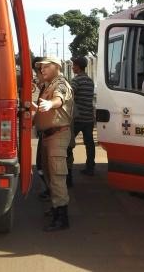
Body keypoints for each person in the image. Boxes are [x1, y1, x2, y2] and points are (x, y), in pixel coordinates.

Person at [33, 56, 74, 231]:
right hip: (48, 136)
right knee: (49, 174)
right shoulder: (47, 85)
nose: (42, 69)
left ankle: (62, 218)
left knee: (57, 176)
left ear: (57, 66)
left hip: (57, 135)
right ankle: (56, 208)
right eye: (40, 67)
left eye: (46, 66)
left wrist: (50, 104)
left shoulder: (60, 83)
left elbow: (59, 99)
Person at [70, 56, 97, 176]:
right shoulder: (90, 80)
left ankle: (68, 167)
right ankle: (90, 167)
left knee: (68, 143)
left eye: (74, 65)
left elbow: (69, 95)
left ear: (78, 67)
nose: (72, 67)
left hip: (77, 118)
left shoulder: (76, 80)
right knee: (89, 143)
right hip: (89, 118)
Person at [32, 57, 50, 201]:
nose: (36, 78)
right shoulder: (45, 87)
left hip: (52, 134)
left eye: (37, 74)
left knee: (45, 165)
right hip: (46, 132)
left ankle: (51, 192)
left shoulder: (54, 86)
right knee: (42, 164)